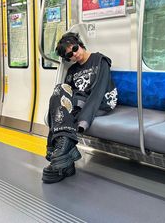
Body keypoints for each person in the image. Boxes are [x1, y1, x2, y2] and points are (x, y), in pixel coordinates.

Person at [42, 32, 118, 183]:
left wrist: (84, 120)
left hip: (102, 100)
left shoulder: (99, 60)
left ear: (80, 44)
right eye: (69, 55)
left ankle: (58, 152)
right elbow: (64, 96)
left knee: (61, 106)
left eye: (75, 49)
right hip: (79, 101)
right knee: (58, 93)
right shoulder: (72, 71)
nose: (74, 55)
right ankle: (64, 155)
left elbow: (99, 90)